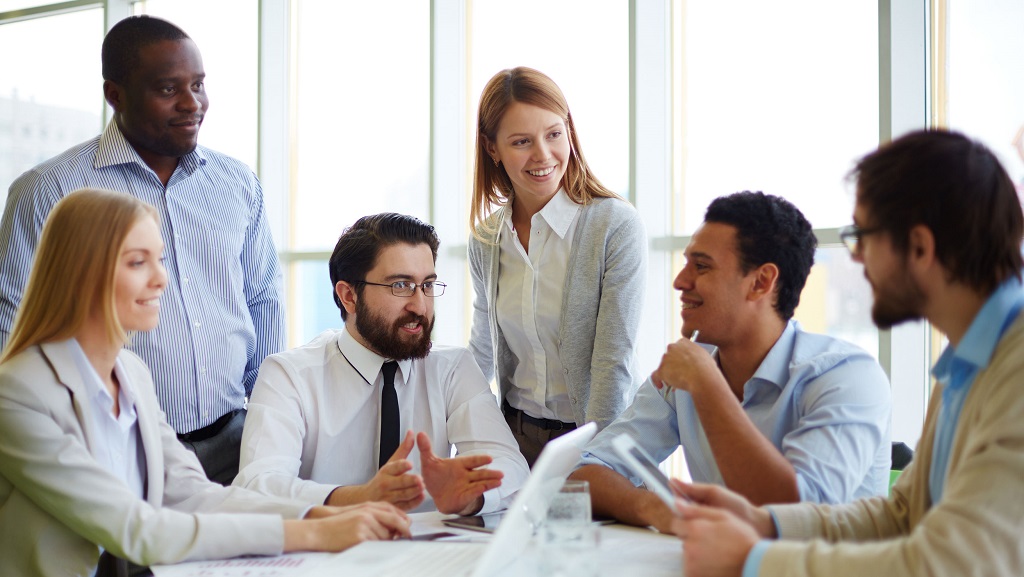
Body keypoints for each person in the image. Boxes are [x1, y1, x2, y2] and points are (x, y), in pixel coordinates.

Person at [0, 189, 409, 577]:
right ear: (81, 272)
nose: (162, 279)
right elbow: (137, 529)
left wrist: (322, 514)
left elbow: (197, 495)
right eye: (138, 262)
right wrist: (315, 534)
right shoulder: (17, 392)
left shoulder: (132, 374)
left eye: (160, 259)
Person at [671, 130, 1024, 577]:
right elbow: (901, 516)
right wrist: (766, 523)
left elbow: (951, 563)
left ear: (919, 247)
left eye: (863, 235)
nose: (856, 259)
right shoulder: (966, 359)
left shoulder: (1015, 367)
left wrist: (754, 559)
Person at [0, 15, 281, 484]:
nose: (193, 104)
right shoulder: (49, 190)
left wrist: (269, 429)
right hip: (116, 446)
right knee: (139, 555)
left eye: (199, 85)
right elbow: (14, 323)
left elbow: (261, 302)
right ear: (115, 95)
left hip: (237, 440)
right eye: (169, 89)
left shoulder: (237, 184)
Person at [571, 191, 892, 533]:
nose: (680, 281)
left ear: (761, 282)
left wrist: (706, 384)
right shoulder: (690, 369)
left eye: (702, 266)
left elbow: (799, 515)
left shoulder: (845, 376)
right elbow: (585, 472)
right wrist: (657, 507)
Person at [235, 213, 530, 516]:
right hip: (328, 550)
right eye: (400, 285)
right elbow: (257, 486)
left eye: (427, 285)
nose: (420, 306)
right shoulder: (288, 376)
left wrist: (471, 497)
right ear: (349, 296)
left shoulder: (452, 368)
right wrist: (360, 497)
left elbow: (512, 469)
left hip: (427, 554)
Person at [468, 66, 648, 465]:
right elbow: (482, 351)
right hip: (515, 440)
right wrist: (468, 444)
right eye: (521, 141)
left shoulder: (614, 225)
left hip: (598, 438)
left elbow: (612, 364)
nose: (543, 155)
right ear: (492, 148)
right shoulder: (486, 239)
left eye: (554, 134)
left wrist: (595, 464)